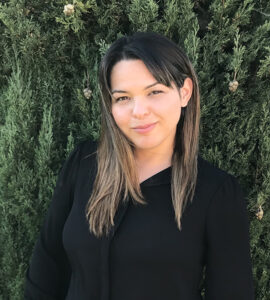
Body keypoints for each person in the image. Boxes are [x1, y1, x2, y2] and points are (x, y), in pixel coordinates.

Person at [24, 31, 255, 300]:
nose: (139, 111)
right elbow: (46, 269)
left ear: (184, 92)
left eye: (154, 92)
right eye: (123, 98)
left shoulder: (215, 193)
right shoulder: (84, 165)